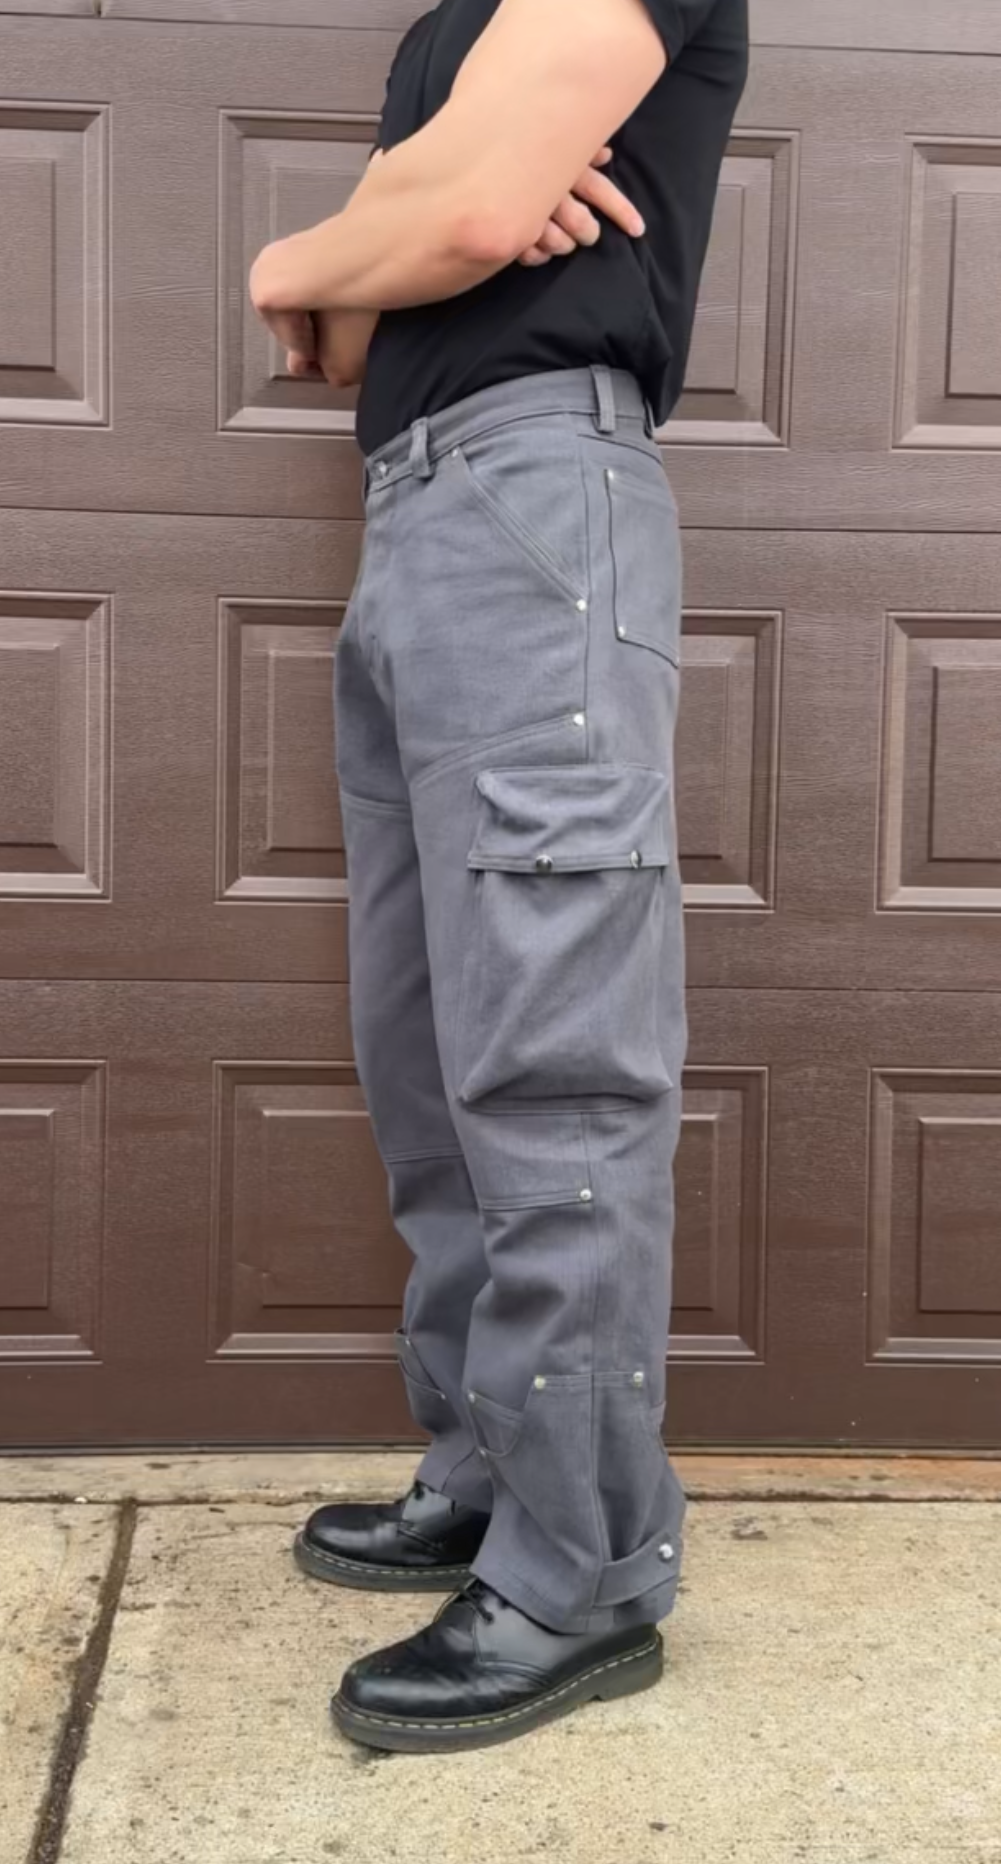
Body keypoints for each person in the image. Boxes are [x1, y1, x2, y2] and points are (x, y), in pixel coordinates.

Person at [249, 0, 748, 1756]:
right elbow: (342, 339)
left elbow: (424, 246)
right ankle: (483, 1471)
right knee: (430, 1053)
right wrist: (388, 229)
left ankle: (584, 1575)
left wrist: (303, 245)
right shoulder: (453, 23)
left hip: (542, 493)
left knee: (551, 1060)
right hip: (421, 510)